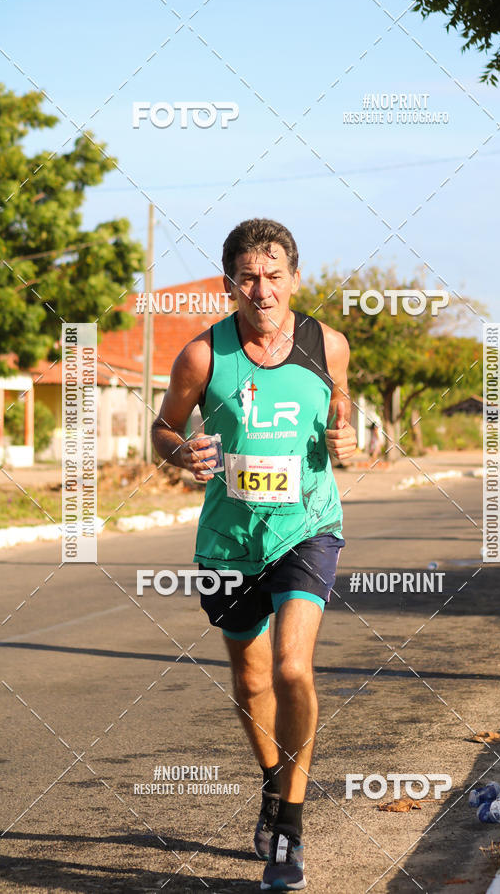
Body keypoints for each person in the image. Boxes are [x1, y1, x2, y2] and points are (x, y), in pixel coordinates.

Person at [152, 218, 357, 890]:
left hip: (306, 526)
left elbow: (341, 412)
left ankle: (289, 831)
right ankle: (275, 781)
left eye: (273, 275)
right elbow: (163, 427)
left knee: (292, 667)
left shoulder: (328, 345)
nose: (261, 289)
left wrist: (348, 438)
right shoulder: (202, 356)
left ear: (295, 278)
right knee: (251, 681)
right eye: (248, 276)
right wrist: (180, 451)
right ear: (229, 283)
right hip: (230, 541)